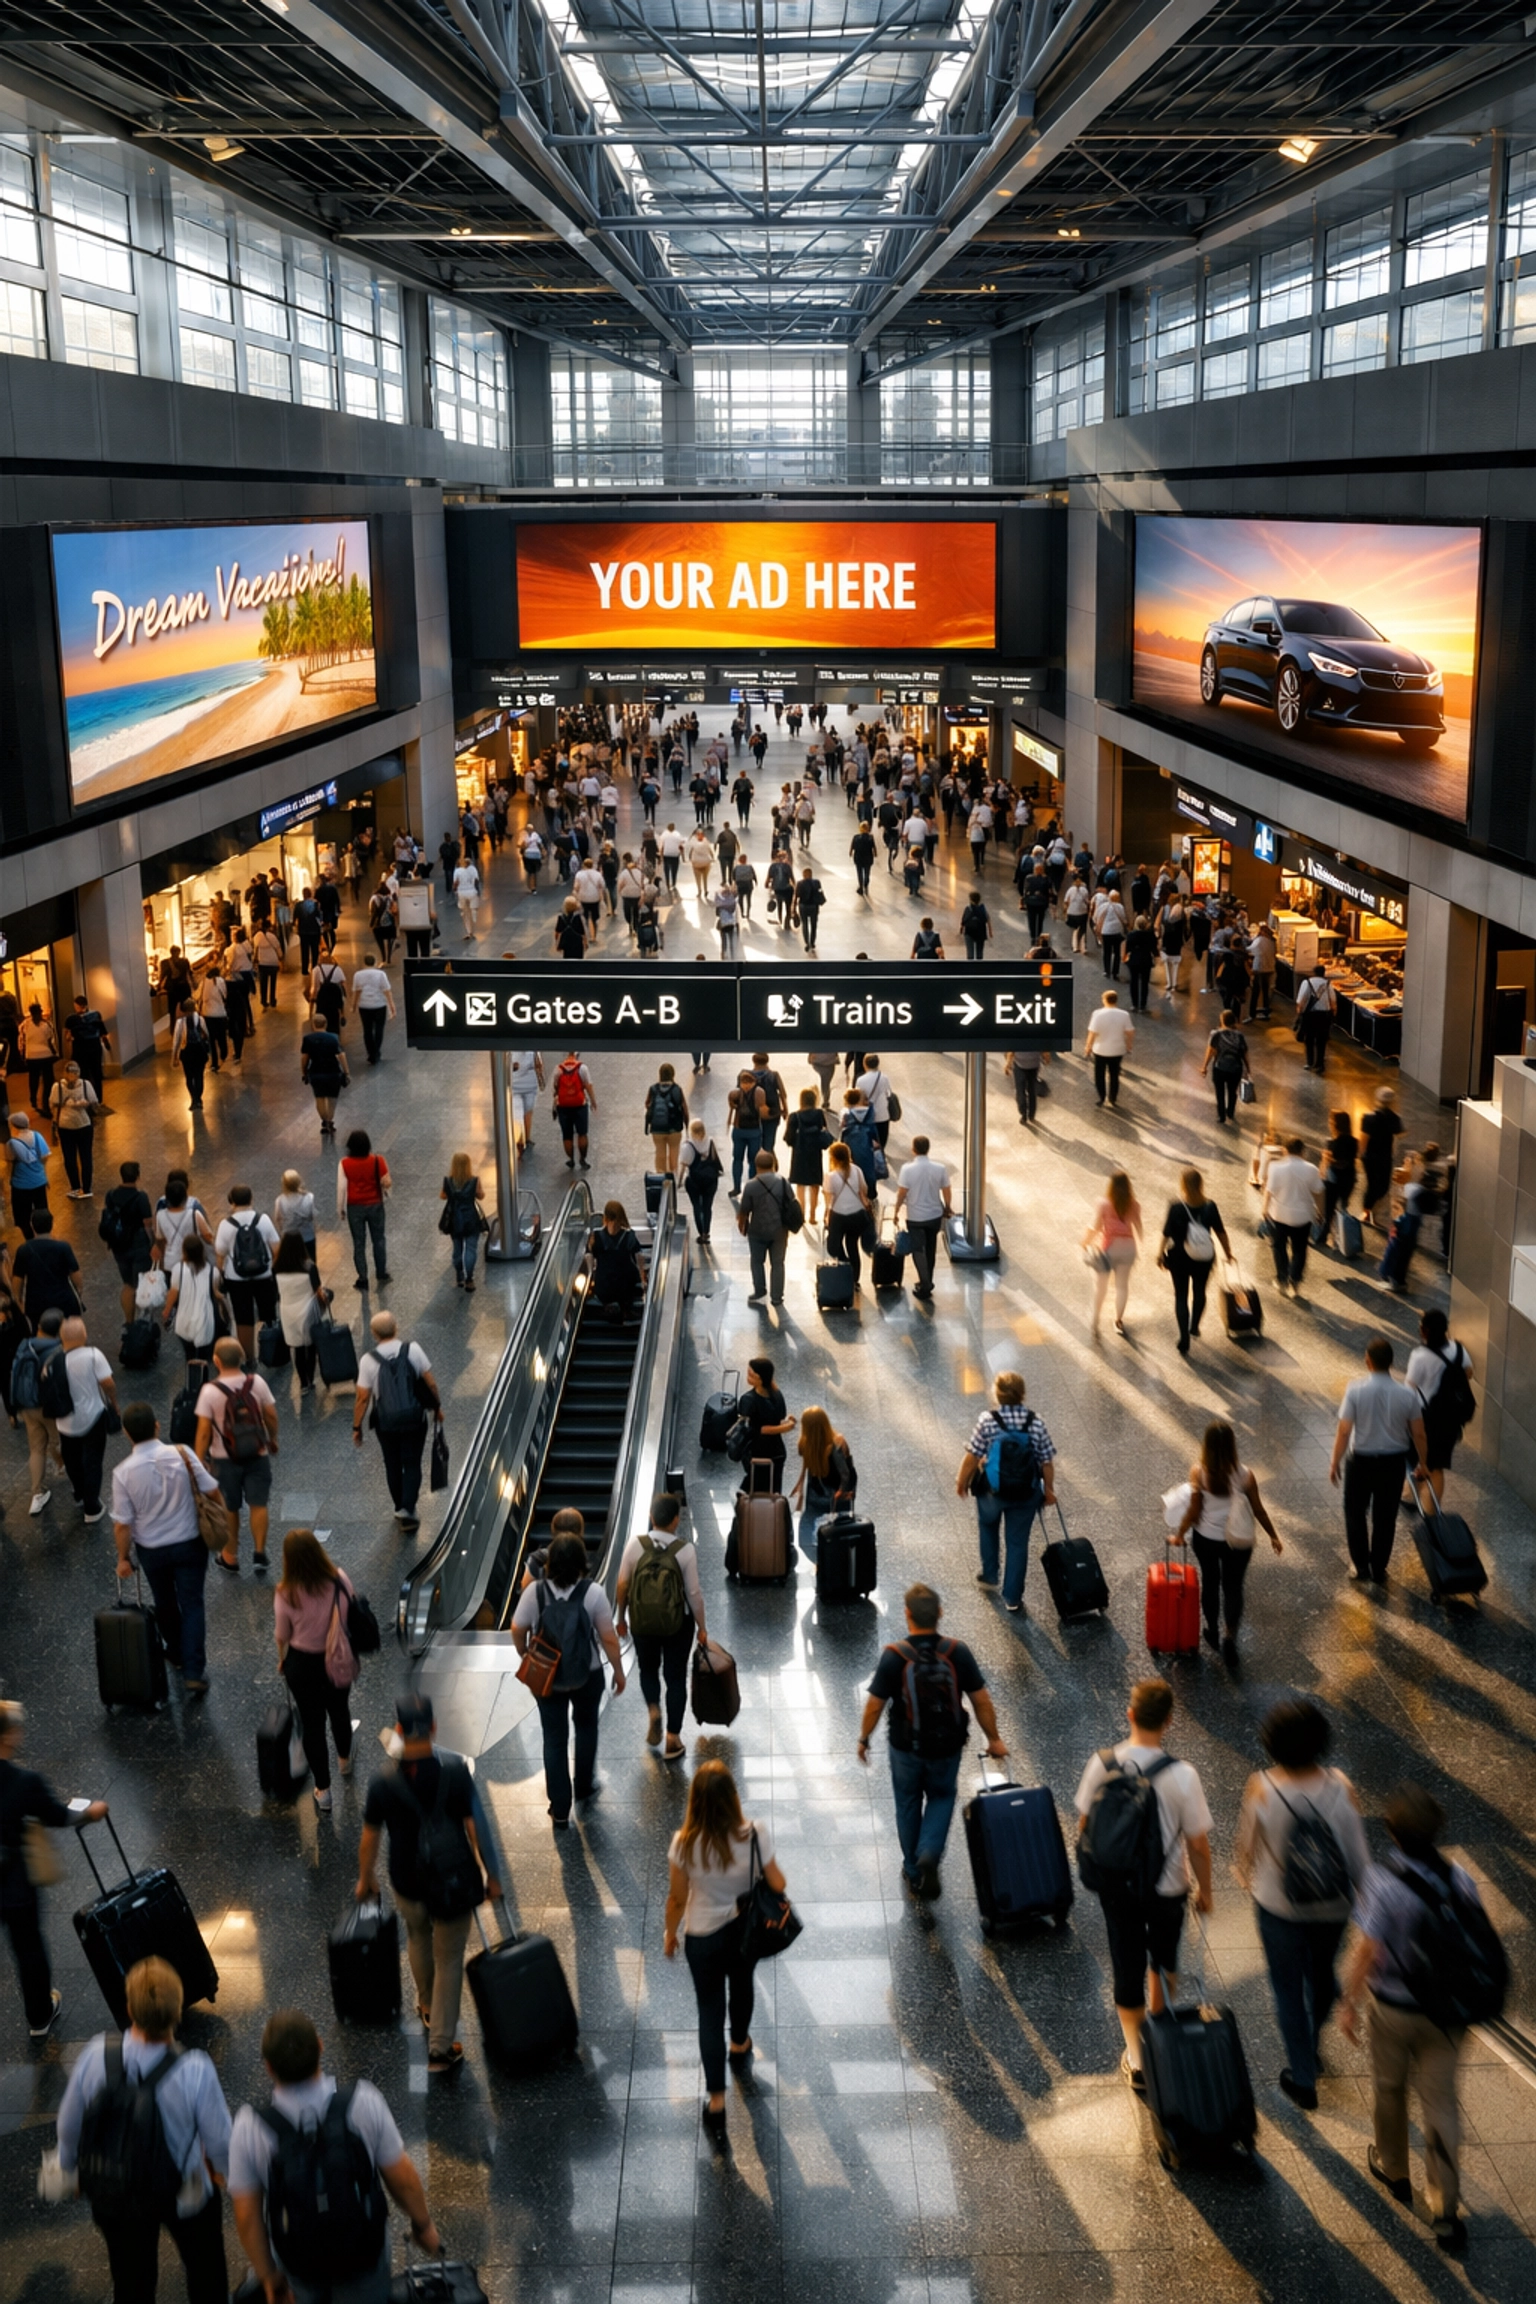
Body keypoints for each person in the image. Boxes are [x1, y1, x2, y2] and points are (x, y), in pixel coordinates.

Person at [1339, 1783, 1485, 2250]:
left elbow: (1366, 1951)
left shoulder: (1382, 1881)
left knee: (1389, 2088)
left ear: (1392, 1833)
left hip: (1394, 2009)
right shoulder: (1461, 1878)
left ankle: (1393, 2168)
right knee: (1441, 2104)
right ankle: (1444, 2208)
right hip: (1446, 2013)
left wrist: (1348, 2002)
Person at [230, 2006, 440, 2303]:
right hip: (363, 2255)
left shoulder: (250, 2125)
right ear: (320, 2046)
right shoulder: (363, 2101)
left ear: (268, 2067)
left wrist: (269, 2276)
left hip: (300, 2263)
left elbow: (247, 2215)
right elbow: (401, 2176)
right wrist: (423, 2225)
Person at [57, 1956, 232, 2303]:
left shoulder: (95, 2055)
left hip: (116, 2188)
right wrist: (229, 2178)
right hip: (183, 2191)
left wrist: (70, 2171)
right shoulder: (194, 2068)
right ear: (178, 2009)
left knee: (131, 2280)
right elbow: (220, 2141)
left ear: (128, 2008)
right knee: (206, 2270)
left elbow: (68, 2124)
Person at [1075, 1680, 1213, 2095]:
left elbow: (1084, 1824)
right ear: (1169, 1721)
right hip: (1168, 1886)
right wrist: (1206, 1891)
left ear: (1129, 1713)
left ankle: (1136, 2058)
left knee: (1126, 1961)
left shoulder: (1102, 1763)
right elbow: (1199, 1844)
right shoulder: (1183, 1774)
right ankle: (1158, 2030)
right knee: (1164, 1957)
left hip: (1117, 1885)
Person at [1234, 1700, 1369, 2111]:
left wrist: (1243, 1873)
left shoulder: (1261, 1786)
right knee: (1323, 1974)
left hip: (1278, 1907)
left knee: (1287, 1989)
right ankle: (1311, 2046)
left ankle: (1303, 2075)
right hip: (1333, 1905)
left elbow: (1246, 1849)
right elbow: (1359, 1858)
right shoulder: (1342, 1787)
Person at [358, 1693, 498, 2073]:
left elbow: (370, 1836)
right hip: (451, 1881)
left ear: (400, 1730)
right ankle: (440, 2048)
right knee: (449, 1957)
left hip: (406, 1880)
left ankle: (424, 2005)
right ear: (434, 1727)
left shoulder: (382, 1780)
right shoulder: (454, 1771)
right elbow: (477, 1828)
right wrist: (493, 1876)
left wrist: (365, 1878)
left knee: (418, 1938)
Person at [663, 1760, 788, 2147]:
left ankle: (716, 2102)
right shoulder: (755, 1834)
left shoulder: (684, 1843)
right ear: (734, 1797)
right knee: (743, 1983)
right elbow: (778, 1882)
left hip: (702, 1937)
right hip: (742, 1930)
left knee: (708, 2011)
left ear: (695, 1800)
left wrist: (670, 1934)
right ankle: (740, 2044)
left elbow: (677, 1898)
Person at [858, 1584, 1006, 1901]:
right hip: (947, 1747)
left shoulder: (895, 1656)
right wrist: (994, 1739)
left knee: (908, 1803)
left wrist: (863, 1739)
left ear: (907, 1614)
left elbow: (874, 1705)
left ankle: (914, 1870)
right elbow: (981, 1701)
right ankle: (930, 1854)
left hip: (906, 1747)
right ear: (939, 1614)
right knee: (941, 1797)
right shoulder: (957, 1651)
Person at [0, 1699, 108, 2037]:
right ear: (9, 1736)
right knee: (27, 1945)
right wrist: (91, 1812)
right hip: (13, 1882)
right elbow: (58, 1815)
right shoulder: (23, 1781)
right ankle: (39, 2015)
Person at [511, 1521, 626, 1828]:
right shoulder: (594, 1593)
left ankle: (560, 1809)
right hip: (587, 1675)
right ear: (580, 1562)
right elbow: (609, 1638)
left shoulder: (535, 1592)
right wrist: (618, 1671)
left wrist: (525, 1653)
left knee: (554, 1739)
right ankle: (584, 1786)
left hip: (547, 1677)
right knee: (587, 1728)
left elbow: (516, 1627)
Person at [112, 1402, 224, 1697]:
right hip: (189, 1542)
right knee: (193, 1604)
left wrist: (123, 1558)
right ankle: (193, 1670)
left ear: (126, 1434)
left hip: (152, 1550)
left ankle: (174, 1652)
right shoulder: (183, 1454)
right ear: (157, 1426)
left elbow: (122, 1524)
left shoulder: (122, 1473)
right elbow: (211, 1489)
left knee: (164, 1603)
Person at [1169, 1420, 1283, 1662]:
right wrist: (1273, 1535)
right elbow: (1259, 1510)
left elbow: (1194, 1511)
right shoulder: (1245, 1475)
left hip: (1206, 1539)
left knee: (1210, 1583)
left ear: (1206, 1445)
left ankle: (1212, 1629)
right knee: (1233, 1588)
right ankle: (1230, 1637)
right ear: (1233, 1445)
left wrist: (1179, 1534)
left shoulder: (1199, 1472)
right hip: (1238, 1542)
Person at [614, 1492, 707, 1763]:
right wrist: (702, 1627)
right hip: (678, 1623)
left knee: (648, 1669)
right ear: (676, 1520)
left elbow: (622, 1585)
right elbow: (694, 1594)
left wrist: (621, 1618)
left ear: (651, 1517)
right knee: (675, 1678)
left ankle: (654, 1709)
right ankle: (672, 1738)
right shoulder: (685, 1550)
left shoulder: (635, 1545)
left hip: (642, 1620)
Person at [1330, 1336, 1430, 1586]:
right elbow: (1419, 1433)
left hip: (1360, 1462)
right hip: (1392, 1464)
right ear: (1390, 1362)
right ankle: (1379, 1568)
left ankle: (1360, 1566)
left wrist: (1335, 1462)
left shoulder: (1355, 1389)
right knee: (1385, 1518)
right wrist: (1423, 1464)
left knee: (1355, 1513)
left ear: (1368, 1362)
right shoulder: (1407, 1395)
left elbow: (1344, 1431)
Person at [955, 1371, 1056, 1615]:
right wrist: (1049, 1490)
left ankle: (990, 1574)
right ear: (1022, 1394)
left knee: (988, 1527)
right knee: (1017, 1543)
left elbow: (973, 1456)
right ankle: (1012, 1598)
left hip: (992, 1491)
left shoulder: (988, 1420)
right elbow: (1046, 1462)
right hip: (1026, 1493)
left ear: (997, 1394)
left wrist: (962, 1480)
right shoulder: (1036, 1422)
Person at [274, 1530, 357, 1811]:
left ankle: (323, 1791)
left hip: (302, 1665)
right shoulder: (339, 1580)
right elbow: (349, 1616)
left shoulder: (286, 1593)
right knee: (340, 1710)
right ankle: (345, 1760)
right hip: (338, 1659)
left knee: (312, 1725)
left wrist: (281, 1658)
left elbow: (282, 1634)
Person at [197, 1335, 278, 1574]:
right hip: (256, 1453)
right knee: (258, 1503)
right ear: (242, 1358)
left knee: (230, 1508)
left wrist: (199, 1459)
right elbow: (271, 1415)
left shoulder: (209, 1391)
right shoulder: (257, 1383)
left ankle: (230, 1556)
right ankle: (260, 1553)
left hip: (224, 1458)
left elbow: (203, 1432)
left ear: (216, 1360)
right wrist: (272, 1439)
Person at [353, 1313, 440, 1532]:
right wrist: (437, 1408)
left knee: (392, 1464)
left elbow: (362, 1398)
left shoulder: (368, 1360)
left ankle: (400, 1507)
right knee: (412, 1463)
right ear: (396, 1328)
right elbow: (430, 1383)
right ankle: (408, 1509)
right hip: (414, 1418)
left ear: (373, 1334)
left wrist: (357, 1427)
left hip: (386, 1422)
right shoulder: (413, 1349)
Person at [1157, 1166, 1231, 1355]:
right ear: (1201, 1184)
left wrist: (1159, 1253)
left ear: (1182, 1184)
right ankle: (1195, 1326)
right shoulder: (1210, 1206)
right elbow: (1221, 1232)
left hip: (1179, 1258)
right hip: (1203, 1258)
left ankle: (1184, 1338)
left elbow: (1166, 1233)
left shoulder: (1176, 1206)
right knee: (1200, 1291)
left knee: (1180, 1296)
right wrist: (1228, 1254)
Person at [1406, 1308, 1475, 1502]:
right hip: (1451, 1420)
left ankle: (1427, 1513)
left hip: (1426, 1417)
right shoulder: (1458, 1349)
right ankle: (1413, 1495)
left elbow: (1409, 1389)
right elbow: (1468, 1373)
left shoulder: (1419, 1356)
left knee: (1422, 1459)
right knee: (1437, 1465)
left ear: (1424, 1331)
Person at [54, 1313, 115, 1525]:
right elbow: (107, 1383)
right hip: (93, 1416)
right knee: (92, 1461)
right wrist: (113, 1403)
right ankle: (92, 1507)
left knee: (72, 1459)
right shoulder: (93, 1355)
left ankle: (79, 1495)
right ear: (84, 1334)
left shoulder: (54, 1361)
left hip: (64, 1422)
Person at [215, 1185, 281, 1363]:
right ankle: (273, 1352)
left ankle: (249, 1357)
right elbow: (277, 1249)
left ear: (232, 1202)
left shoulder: (225, 1225)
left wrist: (221, 1275)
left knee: (243, 1319)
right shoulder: (263, 1220)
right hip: (263, 1276)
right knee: (269, 1314)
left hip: (236, 1279)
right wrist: (270, 1268)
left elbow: (220, 1254)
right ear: (252, 1199)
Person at [13, 1306, 66, 1516]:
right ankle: (66, 1470)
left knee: (36, 1449)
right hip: (49, 1408)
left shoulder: (25, 1345)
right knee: (57, 1442)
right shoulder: (58, 1350)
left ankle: (36, 1494)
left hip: (27, 1405)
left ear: (39, 1327)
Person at [1262, 1135, 1325, 1300]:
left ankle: (1281, 1278)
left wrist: (1264, 1209)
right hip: (1302, 1217)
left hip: (1279, 1215)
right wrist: (1320, 1212)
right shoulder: (1312, 1169)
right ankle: (1295, 1280)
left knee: (1279, 1247)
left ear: (1285, 1150)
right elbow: (1318, 1192)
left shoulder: (1275, 1167)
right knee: (1299, 1250)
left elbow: (1269, 1191)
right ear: (1303, 1151)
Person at [790, 1405, 856, 1560]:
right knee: (837, 1535)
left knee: (807, 1537)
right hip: (829, 1495)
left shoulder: (830, 1443)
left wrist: (841, 1491)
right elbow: (846, 1472)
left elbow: (845, 1473)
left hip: (826, 1495)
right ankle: (828, 1563)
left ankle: (824, 1563)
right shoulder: (819, 1443)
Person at [893, 1134, 952, 1301]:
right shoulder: (939, 1168)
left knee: (918, 1249)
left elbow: (902, 1193)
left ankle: (925, 1284)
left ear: (913, 1150)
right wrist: (947, 1206)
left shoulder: (907, 1170)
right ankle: (927, 1281)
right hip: (934, 1215)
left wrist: (896, 1211)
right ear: (928, 1149)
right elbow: (946, 1189)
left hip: (916, 1216)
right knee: (931, 1248)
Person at [1084, 1169, 1142, 1339]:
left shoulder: (1103, 1203)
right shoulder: (1134, 1204)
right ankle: (1118, 1321)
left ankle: (1095, 1322)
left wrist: (1085, 1241)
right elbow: (1138, 1228)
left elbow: (1095, 1227)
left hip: (1109, 1247)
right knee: (1122, 1287)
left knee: (1100, 1288)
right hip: (1128, 1247)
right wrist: (1139, 1247)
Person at [737, 1149, 796, 1308]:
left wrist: (742, 1226)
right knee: (778, 1263)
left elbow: (744, 1211)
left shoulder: (750, 1186)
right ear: (773, 1164)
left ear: (756, 1166)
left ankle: (759, 1290)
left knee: (757, 1261)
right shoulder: (784, 1182)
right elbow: (791, 1203)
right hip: (779, 1230)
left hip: (757, 1230)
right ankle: (777, 1297)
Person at [337, 1131, 391, 1293]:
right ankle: (381, 1272)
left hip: (355, 1207)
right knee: (379, 1240)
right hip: (375, 1204)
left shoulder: (344, 1163)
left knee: (359, 1243)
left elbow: (341, 1188)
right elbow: (387, 1182)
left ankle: (363, 1277)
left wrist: (340, 1209)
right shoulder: (378, 1160)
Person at [103, 1160, 155, 1323]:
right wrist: (152, 1243)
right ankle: (145, 1320)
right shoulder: (141, 1197)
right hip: (138, 1244)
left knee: (128, 1284)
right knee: (143, 1283)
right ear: (137, 1176)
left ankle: (129, 1322)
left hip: (119, 1245)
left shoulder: (111, 1195)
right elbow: (147, 1223)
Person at [274, 1234, 327, 1391]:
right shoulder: (309, 1267)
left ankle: (303, 1383)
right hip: (307, 1310)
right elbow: (318, 1291)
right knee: (310, 1347)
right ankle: (311, 1379)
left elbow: (276, 1292)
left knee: (297, 1349)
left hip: (287, 1311)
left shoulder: (276, 1268)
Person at [13, 1208, 81, 1326]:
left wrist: (20, 1304)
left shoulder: (23, 1250)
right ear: (52, 1224)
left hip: (36, 1304)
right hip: (64, 1300)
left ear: (32, 1225)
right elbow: (76, 1277)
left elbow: (17, 1282)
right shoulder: (63, 1247)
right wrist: (78, 1293)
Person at [735, 1355, 794, 1490]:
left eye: (751, 1374)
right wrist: (786, 1424)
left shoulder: (748, 1400)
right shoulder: (777, 1394)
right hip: (777, 1452)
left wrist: (785, 1427)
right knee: (774, 1488)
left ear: (760, 1379)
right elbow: (779, 1418)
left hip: (758, 1452)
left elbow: (759, 1429)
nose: (747, 1376)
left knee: (755, 1487)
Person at [782, 1087, 832, 1228]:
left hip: (799, 1153)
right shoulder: (818, 1114)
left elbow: (788, 1138)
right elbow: (824, 1130)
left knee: (801, 1184)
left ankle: (802, 1213)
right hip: (815, 1153)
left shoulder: (794, 1116)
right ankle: (812, 1215)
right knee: (815, 1184)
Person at [823, 1140, 872, 1286]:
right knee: (852, 1245)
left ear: (833, 1157)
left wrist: (826, 1217)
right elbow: (864, 1190)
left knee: (833, 1246)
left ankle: (845, 1264)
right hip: (857, 1214)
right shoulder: (857, 1170)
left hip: (838, 1216)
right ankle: (854, 1279)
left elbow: (828, 1200)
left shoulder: (830, 1176)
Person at [48, 1060, 98, 1198]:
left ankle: (75, 1187)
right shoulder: (86, 1085)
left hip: (65, 1126)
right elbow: (94, 1101)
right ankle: (87, 1188)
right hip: (84, 1124)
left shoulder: (57, 1087)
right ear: (78, 1072)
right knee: (86, 1157)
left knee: (69, 1158)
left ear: (64, 1072)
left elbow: (52, 1105)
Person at [591, 1199, 646, 1321]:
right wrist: (643, 1277)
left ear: (605, 1216)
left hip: (603, 1287)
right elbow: (639, 1257)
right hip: (625, 1286)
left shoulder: (596, 1236)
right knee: (629, 1276)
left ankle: (608, 1306)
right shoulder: (629, 1236)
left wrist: (593, 1275)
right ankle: (625, 1309)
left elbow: (591, 1257)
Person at [1360, 1087, 1404, 1231]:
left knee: (1372, 1185)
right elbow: (1399, 1133)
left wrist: (1360, 1154)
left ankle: (1367, 1210)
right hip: (1385, 1157)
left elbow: (1364, 1139)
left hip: (1371, 1157)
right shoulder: (1395, 1119)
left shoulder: (1369, 1117)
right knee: (1382, 1186)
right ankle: (1369, 1210)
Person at [299, 1018, 349, 1139]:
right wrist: (346, 1072)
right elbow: (341, 1055)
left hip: (316, 1072)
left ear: (313, 1025)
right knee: (332, 1098)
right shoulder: (334, 1037)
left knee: (319, 1097)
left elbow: (304, 1058)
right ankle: (330, 1120)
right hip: (333, 1072)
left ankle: (324, 1120)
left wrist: (304, 1072)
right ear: (326, 1024)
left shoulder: (308, 1039)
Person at [1084, 988, 1133, 1108]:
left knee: (1099, 1075)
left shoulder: (1097, 1014)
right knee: (1114, 1075)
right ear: (1116, 1000)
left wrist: (1088, 1046)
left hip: (1100, 1050)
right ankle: (1112, 1098)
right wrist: (1128, 1044)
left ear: (1104, 1000)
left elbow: (1092, 1033)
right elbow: (1130, 1032)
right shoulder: (1124, 1014)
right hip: (1117, 1049)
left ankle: (1101, 1097)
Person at [7, 1108, 52, 1237]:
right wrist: (43, 1174)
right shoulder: (37, 1136)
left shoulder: (12, 1143)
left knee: (23, 1217)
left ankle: (30, 1239)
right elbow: (44, 1157)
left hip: (20, 1185)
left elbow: (10, 1163)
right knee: (42, 1212)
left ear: (14, 1126)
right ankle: (44, 1236)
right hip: (39, 1182)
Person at [1201, 1009, 1250, 1125]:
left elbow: (1211, 1051)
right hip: (1236, 1068)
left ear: (1222, 1020)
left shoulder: (1216, 1034)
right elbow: (1244, 1053)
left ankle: (1221, 1115)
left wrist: (1204, 1066)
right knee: (1232, 1091)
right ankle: (1230, 1112)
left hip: (1220, 1067)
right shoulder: (1239, 1036)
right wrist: (1248, 1069)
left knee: (1220, 1092)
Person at [349, 953, 396, 1066]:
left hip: (364, 1005)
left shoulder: (358, 975)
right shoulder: (381, 974)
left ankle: (370, 1053)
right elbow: (387, 990)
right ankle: (376, 1051)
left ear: (364, 963)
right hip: (379, 1004)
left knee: (367, 1030)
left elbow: (356, 991)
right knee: (379, 1029)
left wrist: (353, 1005)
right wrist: (392, 1006)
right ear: (375, 962)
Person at [727, 1068, 768, 1196]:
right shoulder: (759, 1092)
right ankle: (749, 1187)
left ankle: (739, 1187)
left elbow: (732, 1106)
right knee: (750, 1160)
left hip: (741, 1130)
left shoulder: (736, 1093)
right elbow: (763, 1112)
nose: (745, 1086)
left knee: (740, 1159)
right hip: (752, 1130)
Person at [552, 1050, 595, 1170]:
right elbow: (588, 1085)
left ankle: (571, 1160)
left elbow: (555, 1088)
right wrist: (593, 1101)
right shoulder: (582, 1068)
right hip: (580, 1105)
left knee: (567, 1135)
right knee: (582, 1133)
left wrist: (554, 1106)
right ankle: (583, 1159)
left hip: (563, 1106)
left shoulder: (558, 1069)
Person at [645, 1063, 689, 1175]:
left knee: (660, 1155)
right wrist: (687, 1124)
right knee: (674, 1154)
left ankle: (661, 1177)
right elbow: (684, 1108)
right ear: (673, 1074)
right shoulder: (677, 1089)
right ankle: (672, 1177)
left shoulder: (653, 1089)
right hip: (674, 1128)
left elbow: (647, 1104)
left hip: (657, 1128)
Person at [1295, 961, 1336, 1074]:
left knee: (1309, 1039)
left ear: (1314, 973)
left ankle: (1310, 1062)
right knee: (1321, 1041)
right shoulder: (1328, 984)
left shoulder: (1307, 983)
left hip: (1310, 1016)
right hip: (1324, 1016)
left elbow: (1300, 1001)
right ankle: (1320, 1064)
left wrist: (1299, 1014)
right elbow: (1333, 1002)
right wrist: (1333, 1016)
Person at [1323, 1110, 1358, 1234]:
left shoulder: (1334, 1142)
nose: (1329, 1122)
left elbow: (1339, 1163)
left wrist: (1328, 1159)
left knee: (1329, 1208)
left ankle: (1326, 1232)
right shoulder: (1354, 1141)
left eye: (1331, 1120)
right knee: (1343, 1207)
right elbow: (1351, 1160)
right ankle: (1342, 1234)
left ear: (1336, 1124)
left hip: (1334, 1181)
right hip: (1349, 1179)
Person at [170, 1002, 211, 1110]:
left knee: (189, 1077)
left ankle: (194, 1099)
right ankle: (198, 1099)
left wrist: (174, 1056)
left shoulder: (180, 1022)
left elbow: (176, 1040)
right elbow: (206, 1034)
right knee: (199, 1076)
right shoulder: (200, 1019)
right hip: (199, 1051)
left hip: (187, 1052)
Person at [21, 1003, 58, 1112]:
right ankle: (46, 1101)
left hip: (31, 1056)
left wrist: (23, 1055)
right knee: (48, 1079)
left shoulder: (25, 1025)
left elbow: (21, 1041)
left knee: (33, 1078)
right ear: (40, 1012)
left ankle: (33, 1099)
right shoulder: (46, 1024)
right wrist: (55, 1053)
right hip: (45, 1055)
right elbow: (51, 1041)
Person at [1247, 920, 1277, 1019]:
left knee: (1256, 991)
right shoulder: (1272, 942)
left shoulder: (1259, 940)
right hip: (1269, 968)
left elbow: (1251, 950)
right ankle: (1266, 1010)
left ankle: (1252, 1013)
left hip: (1259, 968)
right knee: (1266, 990)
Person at [452, 854, 481, 940]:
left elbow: (456, 883)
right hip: (472, 891)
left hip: (461, 892)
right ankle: (473, 924)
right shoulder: (473, 869)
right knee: (473, 910)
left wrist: (454, 889)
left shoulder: (457, 871)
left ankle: (469, 931)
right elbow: (476, 880)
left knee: (465, 912)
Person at [960, 891, 991, 960]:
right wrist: (990, 932)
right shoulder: (982, 909)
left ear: (970, 899)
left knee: (970, 953)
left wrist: (961, 930)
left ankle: (970, 969)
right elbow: (988, 919)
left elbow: (963, 921)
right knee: (979, 953)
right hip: (980, 933)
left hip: (969, 933)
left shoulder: (968, 908)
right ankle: (979, 968)